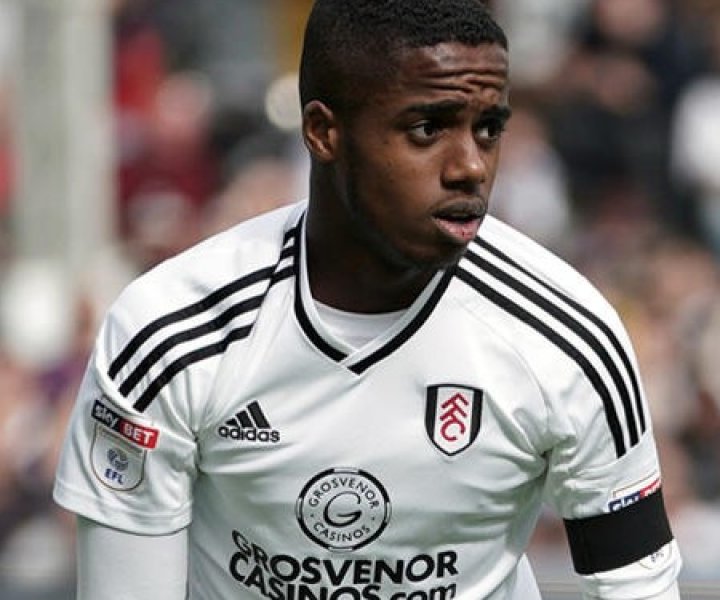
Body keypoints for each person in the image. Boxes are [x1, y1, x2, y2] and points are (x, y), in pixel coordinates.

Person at [53, 1, 683, 598]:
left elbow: (636, 584)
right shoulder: (169, 332)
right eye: (427, 127)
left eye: (488, 128)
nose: (470, 166)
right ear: (323, 132)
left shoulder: (568, 338)